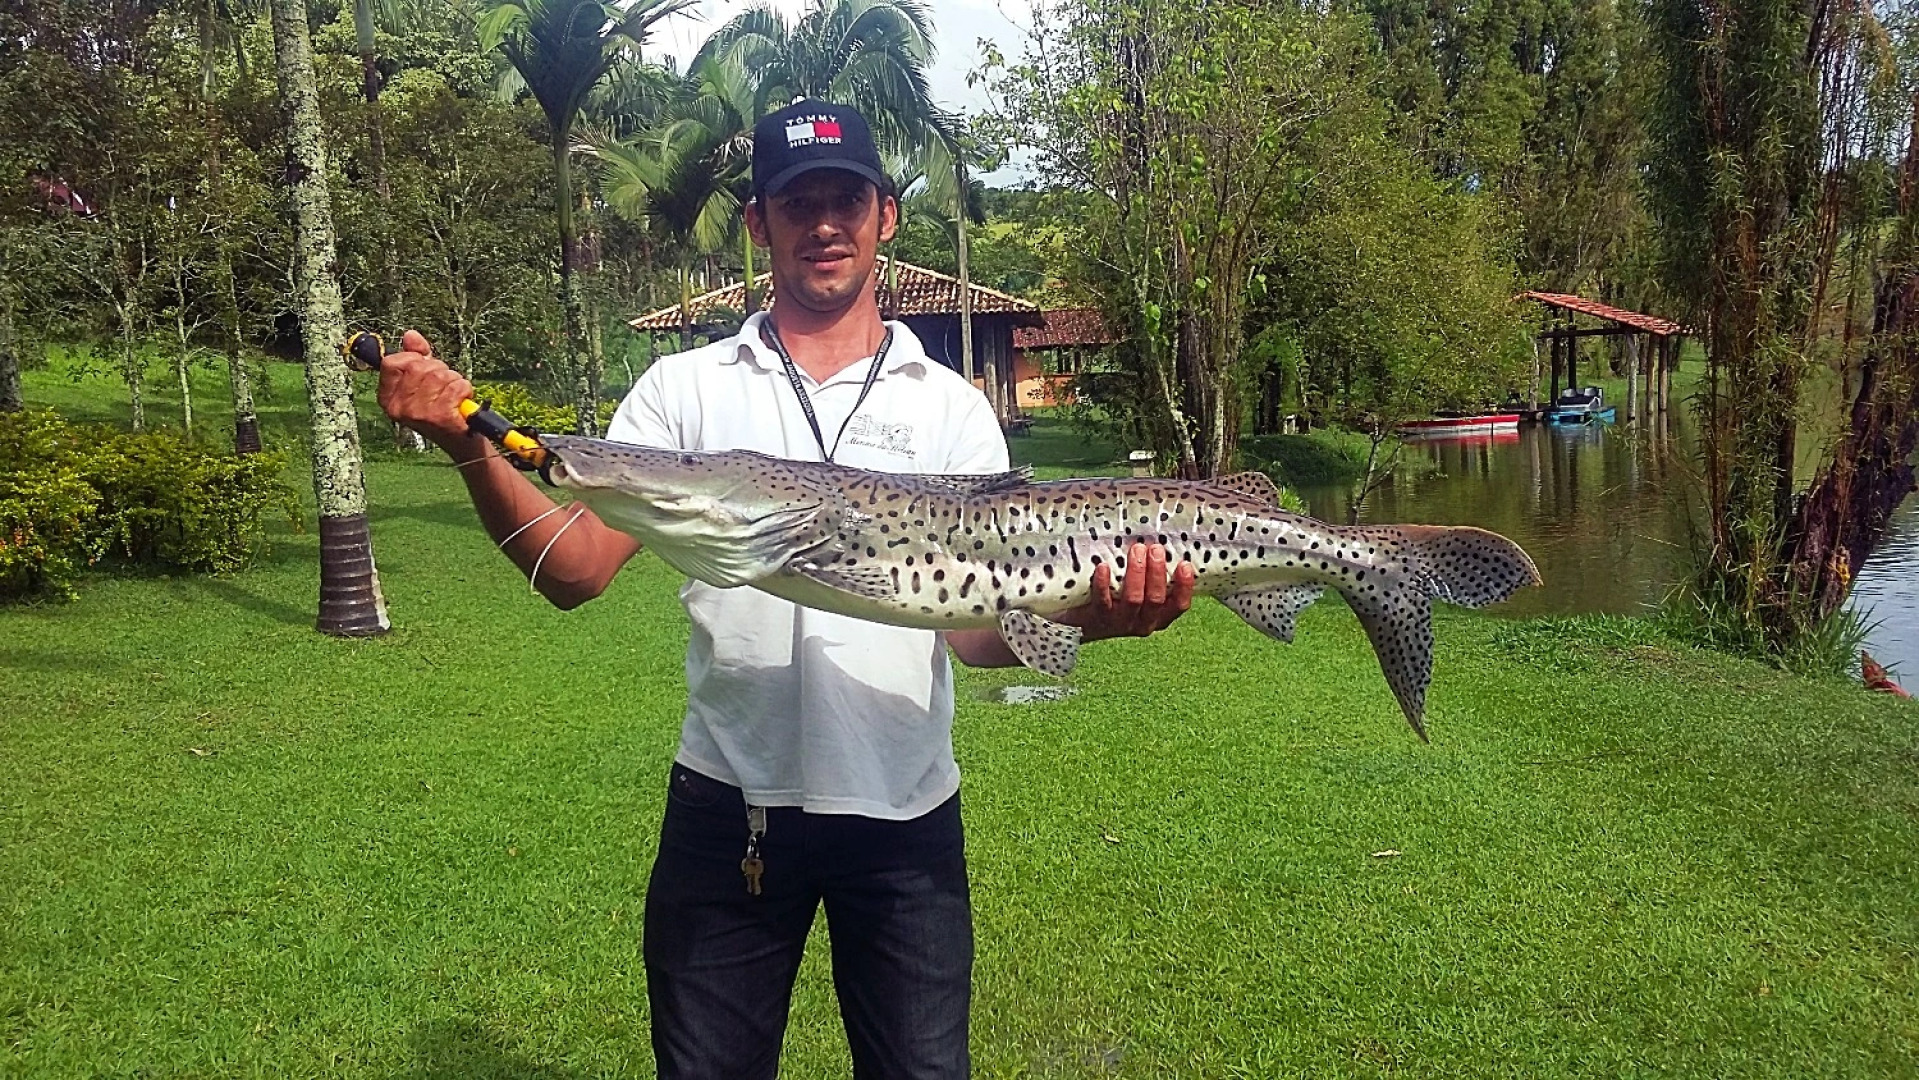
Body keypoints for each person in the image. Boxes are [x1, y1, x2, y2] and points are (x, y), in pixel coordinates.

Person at [376, 99, 1196, 1079]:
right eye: (794, 201)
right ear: (758, 223)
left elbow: (977, 636)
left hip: (902, 819)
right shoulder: (685, 391)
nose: (822, 224)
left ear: (883, 215)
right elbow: (573, 568)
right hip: (730, 812)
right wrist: (467, 444)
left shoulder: (950, 409)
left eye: (843, 198)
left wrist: (1094, 618)